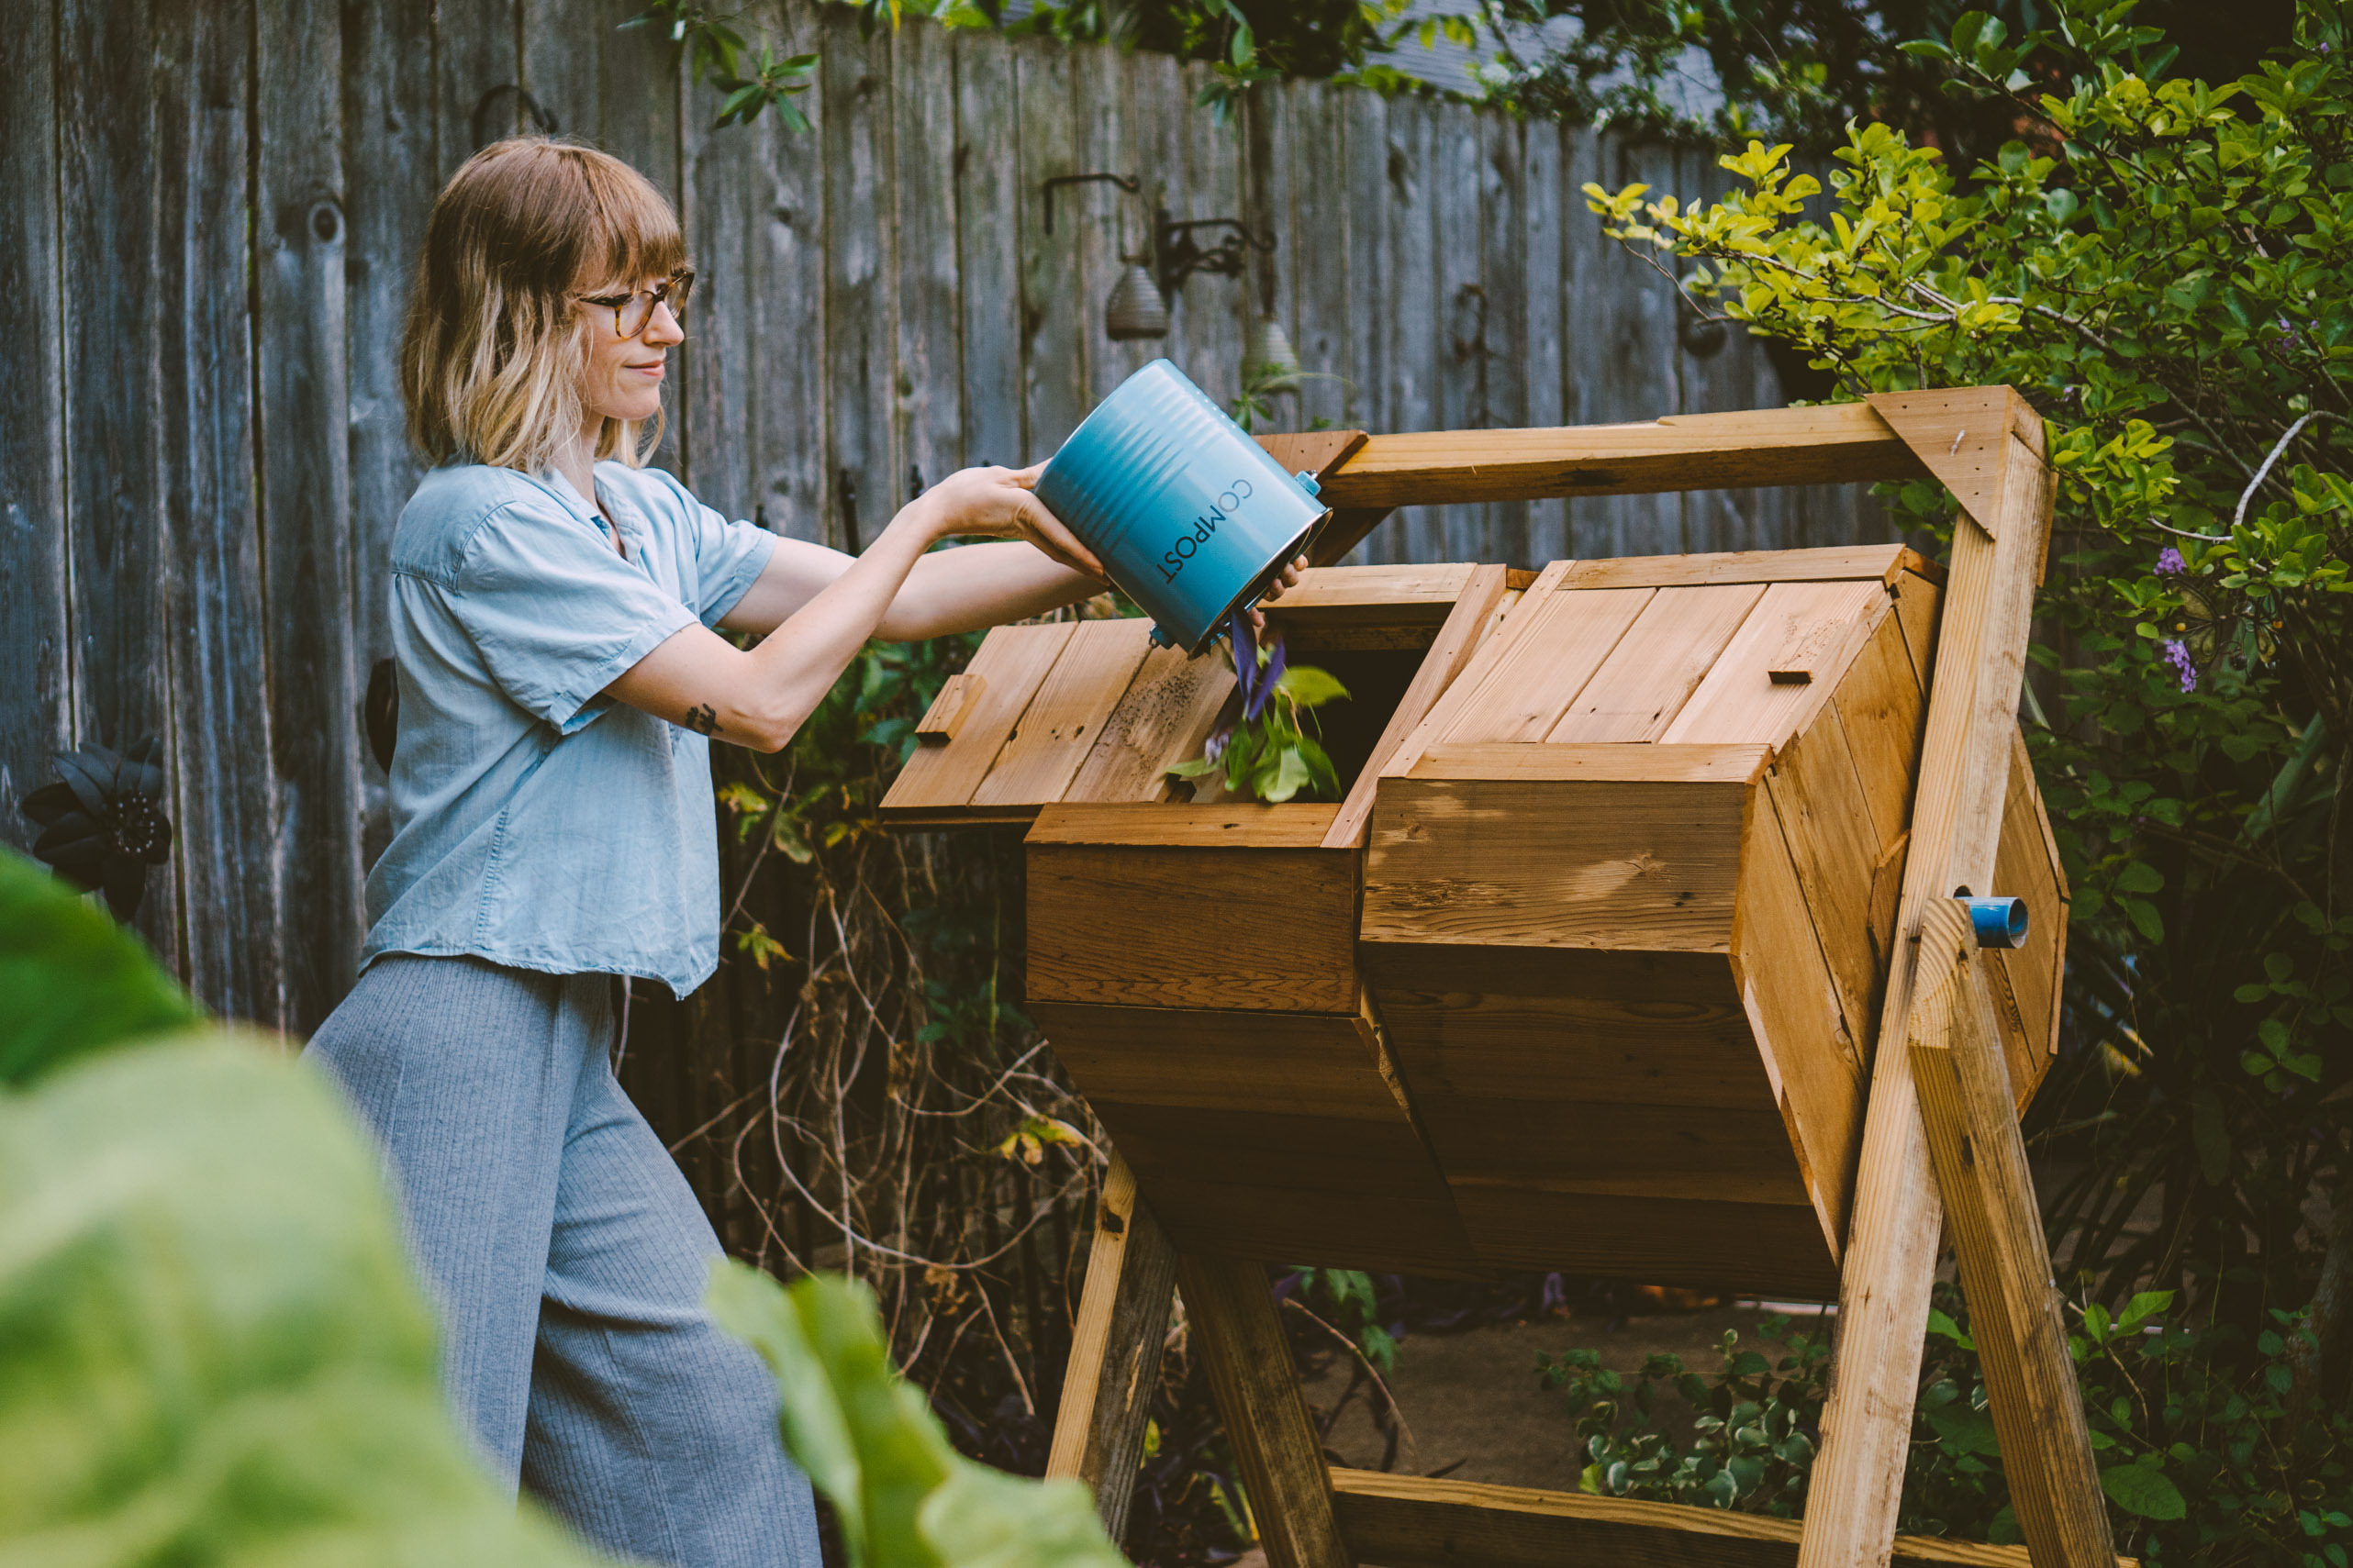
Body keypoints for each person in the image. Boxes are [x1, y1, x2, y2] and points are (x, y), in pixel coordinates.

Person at [303, 136, 1297, 1567]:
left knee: (707, 1413)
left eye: (675, 291)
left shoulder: (636, 515)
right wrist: (934, 504)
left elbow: (896, 602)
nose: (669, 327)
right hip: (456, 1027)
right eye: (627, 298)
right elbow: (762, 699)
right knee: (428, 1475)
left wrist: (1141, 543)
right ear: (523, 313)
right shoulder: (476, 525)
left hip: (572, 1034)